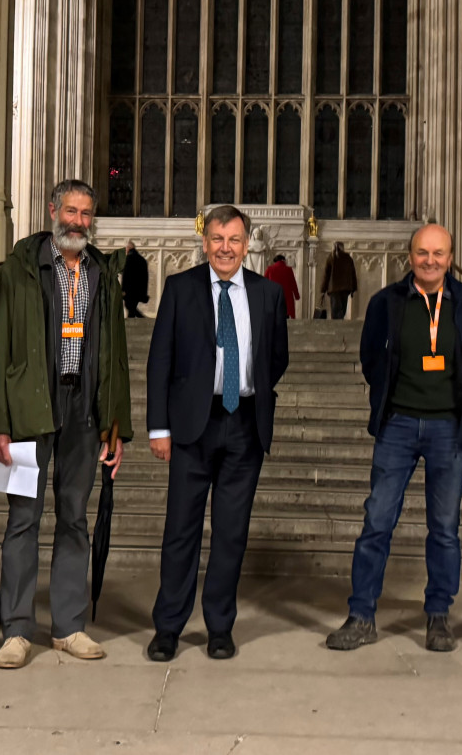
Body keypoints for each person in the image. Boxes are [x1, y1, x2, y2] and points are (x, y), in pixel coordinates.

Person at [0, 179, 133, 669]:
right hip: (29, 412)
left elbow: (116, 356)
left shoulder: (102, 273)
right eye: (71, 211)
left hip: (83, 413)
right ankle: (17, 631)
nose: (78, 221)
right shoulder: (21, 267)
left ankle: (68, 627)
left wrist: (117, 426)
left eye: (87, 214)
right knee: (23, 520)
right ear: (53, 211)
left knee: (74, 520)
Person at [325, 225, 462, 653]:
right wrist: (390, 396)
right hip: (398, 425)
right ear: (410, 255)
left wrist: (461, 398)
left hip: (449, 429)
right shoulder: (387, 302)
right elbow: (370, 357)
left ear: (450, 257)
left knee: (445, 529)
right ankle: (361, 615)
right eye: (422, 252)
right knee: (377, 521)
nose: (430, 260)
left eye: (438, 253)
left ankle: (438, 617)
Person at [145, 205, 289, 661]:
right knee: (181, 531)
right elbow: (160, 362)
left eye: (234, 239)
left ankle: (219, 627)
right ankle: (168, 627)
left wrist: (252, 392)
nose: (226, 248)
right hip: (192, 424)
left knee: (231, 533)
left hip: (244, 423)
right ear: (204, 242)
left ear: (247, 245)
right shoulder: (179, 288)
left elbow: (276, 358)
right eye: (217, 238)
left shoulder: (268, 294)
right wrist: (159, 427)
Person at [321, 241, 357, 319]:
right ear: (343, 248)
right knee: (342, 310)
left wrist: (323, 289)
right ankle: (341, 326)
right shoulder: (348, 258)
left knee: (335, 310)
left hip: (334, 289)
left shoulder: (331, 258)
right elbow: (353, 274)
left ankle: (336, 328)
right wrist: (353, 288)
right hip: (345, 288)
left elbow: (326, 275)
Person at [264, 254, 300, 319]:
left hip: (273, 297)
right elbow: (293, 284)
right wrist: (297, 296)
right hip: (286, 298)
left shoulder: (270, 269)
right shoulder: (288, 270)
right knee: (285, 319)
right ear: (283, 260)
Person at [122, 240, 149, 318]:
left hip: (130, 290)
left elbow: (126, 276)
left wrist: (123, 290)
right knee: (131, 309)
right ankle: (130, 326)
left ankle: (144, 319)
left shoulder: (129, 259)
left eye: (125, 248)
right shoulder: (142, 260)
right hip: (139, 290)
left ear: (128, 248)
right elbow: (145, 277)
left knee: (129, 306)